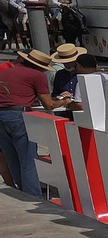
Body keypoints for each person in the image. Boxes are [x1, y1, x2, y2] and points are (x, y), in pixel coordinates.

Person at [0, 48, 75, 197]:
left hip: (1, 115)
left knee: (12, 158)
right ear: (40, 67)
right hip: (19, 116)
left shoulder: (5, 72)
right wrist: (64, 101)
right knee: (28, 159)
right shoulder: (37, 76)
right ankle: (33, 195)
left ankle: (22, 191)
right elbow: (49, 105)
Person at [49, 45, 91, 117]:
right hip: (64, 113)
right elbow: (54, 95)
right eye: (64, 62)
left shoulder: (84, 73)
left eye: (70, 62)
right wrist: (61, 96)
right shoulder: (59, 74)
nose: (67, 64)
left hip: (83, 112)